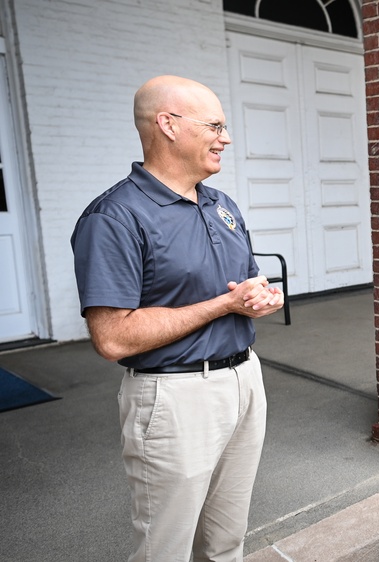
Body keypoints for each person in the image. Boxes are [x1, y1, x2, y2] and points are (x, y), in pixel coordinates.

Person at [70, 75, 284, 562]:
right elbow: (113, 338)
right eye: (215, 125)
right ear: (167, 124)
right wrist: (223, 306)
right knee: (165, 547)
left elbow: (245, 282)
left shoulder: (221, 204)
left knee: (228, 538)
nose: (225, 137)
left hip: (245, 380)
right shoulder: (114, 217)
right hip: (173, 398)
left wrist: (259, 297)